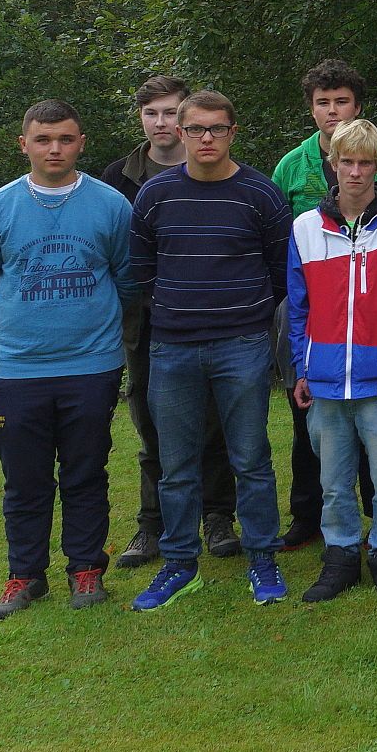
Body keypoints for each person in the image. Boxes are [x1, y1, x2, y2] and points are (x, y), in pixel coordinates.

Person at [0, 99, 135, 619]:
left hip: (91, 365)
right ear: (25, 145)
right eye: (43, 139)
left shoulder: (111, 205)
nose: (54, 148)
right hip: (18, 370)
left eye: (65, 138)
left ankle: (86, 569)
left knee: (86, 473)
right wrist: (29, 324)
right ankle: (25, 576)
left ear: (81, 142)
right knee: (24, 479)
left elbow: (127, 280)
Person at [128, 90, 293, 610]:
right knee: (176, 465)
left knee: (251, 459)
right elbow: (141, 269)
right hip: (173, 346)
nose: (206, 138)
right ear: (180, 133)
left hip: (242, 345)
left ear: (232, 133)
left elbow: (280, 270)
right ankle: (179, 564)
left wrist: (243, 315)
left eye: (217, 129)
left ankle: (262, 559)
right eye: (196, 129)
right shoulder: (155, 195)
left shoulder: (260, 194)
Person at [286, 118, 377, 605]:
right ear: (333, 164)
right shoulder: (305, 228)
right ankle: (341, 558)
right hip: (325, 379)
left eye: (364, 163)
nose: (354, 172)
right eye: (346, 161)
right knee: (333, 483)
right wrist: (301, 368)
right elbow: (297, 308)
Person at [100, 75, 239, 568]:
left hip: (211, 318)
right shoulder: (117, 178)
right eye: (150, 113)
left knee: (215, 420)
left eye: (168, 112)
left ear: (185, 120)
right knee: (151, 422)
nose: (160, 122)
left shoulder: (218, 168)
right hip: (145, 321)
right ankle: (152, 524)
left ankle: (218, 517)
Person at [272, 59, 377, 552]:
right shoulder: (291, 164)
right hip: (317, 298)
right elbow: (284, 240)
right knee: (312, 424)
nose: (332, 111)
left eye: (342, 101)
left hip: (375, 300)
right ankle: (309, 516)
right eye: (323, 103)